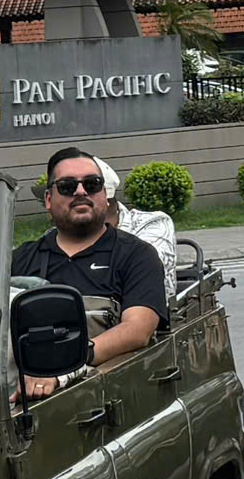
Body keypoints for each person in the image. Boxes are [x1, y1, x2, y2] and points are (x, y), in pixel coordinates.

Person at [9, 145, 168, 368]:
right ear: (48, 199)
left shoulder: (137, 255)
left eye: (92, 184)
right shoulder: (19, 261)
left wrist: (66, 366)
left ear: (104, 195)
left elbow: (138, 330)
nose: (81, 192)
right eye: (67, 186)